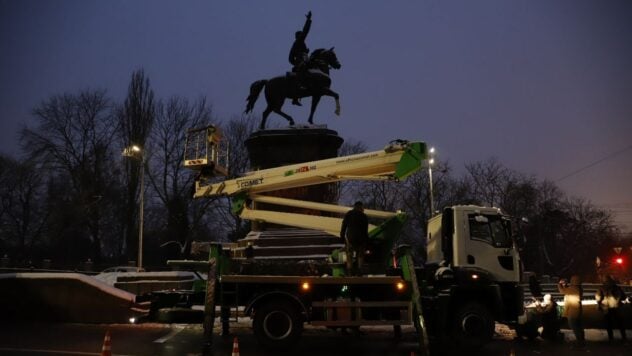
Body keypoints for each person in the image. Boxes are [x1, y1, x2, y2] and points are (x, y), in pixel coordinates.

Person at [288, 11, 312, 106]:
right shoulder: (298, 41)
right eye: (301, 35)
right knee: (303, 68)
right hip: (300, 61)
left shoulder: (299, 43)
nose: (303, 36)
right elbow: (305, 30)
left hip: (303, 59)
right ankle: (300, 86)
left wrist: (306, 52)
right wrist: (308, 20)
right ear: (299, 36)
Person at [595, 275, 628, 342]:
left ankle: (611, 338)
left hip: (606, 307)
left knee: (608, 324)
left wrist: (600, 303)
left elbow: (598, 297)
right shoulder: (616, 287)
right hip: (616, 307)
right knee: (620, 323)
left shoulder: (602, 287)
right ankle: (623, 336)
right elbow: (623, 296)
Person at [340, 201, 369, 276]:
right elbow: (365, 230)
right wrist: (366, 240)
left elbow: (344, 226)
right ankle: (359, 271)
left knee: (349, 255)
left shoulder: (349, 214)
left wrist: (342, 236)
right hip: (361, 239)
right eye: (362, 207)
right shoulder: (364, 216)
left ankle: (349, 271)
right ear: (360, 207)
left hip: (350, 238)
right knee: (360, 255)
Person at [558, 275, 585, 347]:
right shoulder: (578, 288)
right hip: (577, 311)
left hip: (573, 312)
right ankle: (582, 341)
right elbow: (567, 291)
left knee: (575, 327)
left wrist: (559, 284)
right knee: (579, 327)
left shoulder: (572, 289)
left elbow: (562, 291)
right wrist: (565, 285)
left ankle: (580, 343)